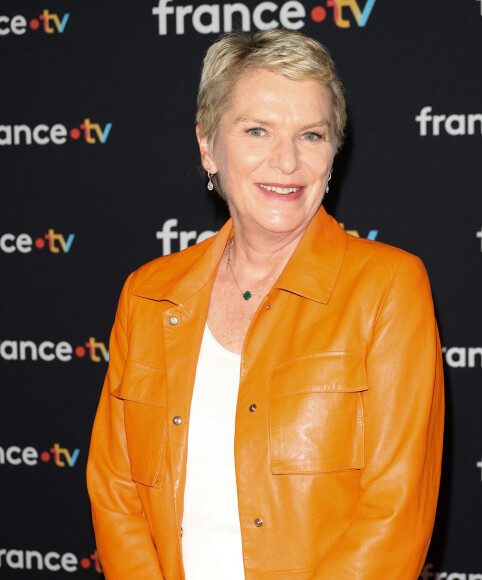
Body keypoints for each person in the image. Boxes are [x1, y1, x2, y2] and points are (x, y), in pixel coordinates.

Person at [87, 28, 444, 580]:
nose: (287, 162)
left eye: (311, 135)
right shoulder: (147, 295)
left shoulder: (388, 287)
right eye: (257, 130)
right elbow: (115, 493)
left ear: (333, 152)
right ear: (208, 145)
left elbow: (395, 513)